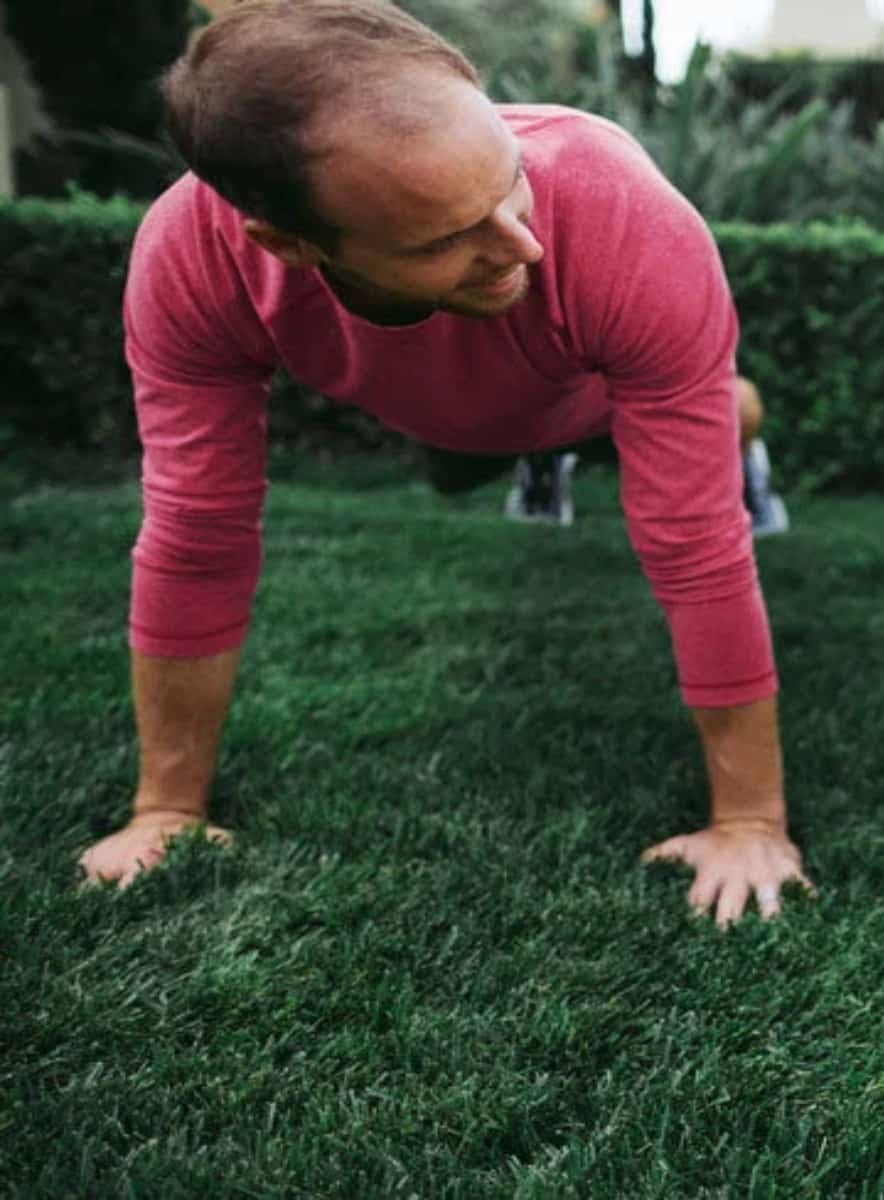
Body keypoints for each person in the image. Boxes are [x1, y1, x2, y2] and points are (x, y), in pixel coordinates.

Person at [76, 0, 810, 926]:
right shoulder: (192, 259)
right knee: (461, 454)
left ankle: (718, 450)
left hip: (591, 391)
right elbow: (196, 531)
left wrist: (748, 819)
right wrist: (166, 810)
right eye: (442, 238)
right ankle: (533, 463)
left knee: (718, 422)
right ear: (292, 245)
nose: (522, 244)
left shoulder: (623, 215)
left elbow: (696, 547)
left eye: (509, 184)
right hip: (450, 413)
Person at [431, 376, 791, 536]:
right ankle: (541, 481)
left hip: (646, 402)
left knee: (736, 403)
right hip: (568, 403)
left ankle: (745, 489)